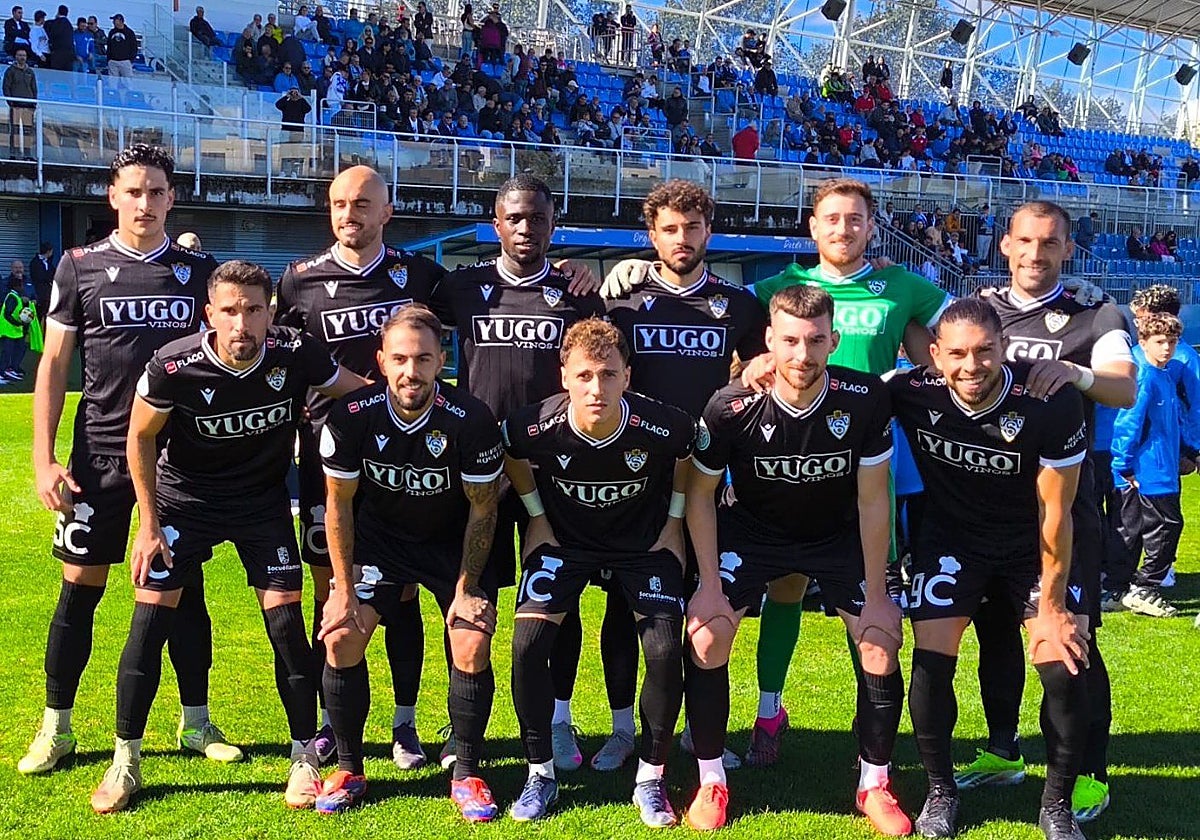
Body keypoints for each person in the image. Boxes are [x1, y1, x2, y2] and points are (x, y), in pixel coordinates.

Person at [603, 178, 950, 770]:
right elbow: (742, 348)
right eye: (831, 219)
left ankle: (836, 738)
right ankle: (688, 724)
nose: (843, 229)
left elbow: (959, 337)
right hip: (735, 464)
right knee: (666, 603)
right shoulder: (774, 289)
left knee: (848, 615)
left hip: (849, 469)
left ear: (872, 225)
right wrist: (628, 270)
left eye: (855, 219)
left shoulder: (901, 286)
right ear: (812, 227)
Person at [89, 260, 367, 813]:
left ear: (270, 312)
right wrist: (147, 525)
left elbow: (356, 391)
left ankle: (303, 759)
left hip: (261, 505)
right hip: (183, 503)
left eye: (254, 310)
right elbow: (139, 441)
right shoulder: (173, 366)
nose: (243, 323)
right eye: (231, 311)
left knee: (287, 624)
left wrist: (417, 400)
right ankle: (126, 759)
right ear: (209, 314)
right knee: (149, 621)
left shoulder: (296, 353)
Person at [20, 145, 234, 779]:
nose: (145, 203)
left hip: (178, 469)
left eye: (157, 192)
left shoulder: (198, 272)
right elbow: (55, 365)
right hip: (99, 463)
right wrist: (43, 458)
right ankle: (56, 726)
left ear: (173, 198)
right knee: (78, 593)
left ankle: (195, 721)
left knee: (182, 594)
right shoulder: (79, 267)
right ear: (112, 196)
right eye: (133, 191)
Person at [684, 284, 907, 834]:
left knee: (880, 643)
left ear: (833, 340)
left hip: (835, 537)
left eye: (813, 341)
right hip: (754, 532)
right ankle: (711, 778)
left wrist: (878, 592)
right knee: (707, 635)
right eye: (789, 341)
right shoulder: (730, 405)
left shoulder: (864, 399)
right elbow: (699, 498)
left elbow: (874, 497)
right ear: (768, 341)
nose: (801, 355)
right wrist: (709, 584)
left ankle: (874, 784)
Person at [890, 297, 1092, 840]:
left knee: (1062, 663)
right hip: (950, 541)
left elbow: (1056, 514)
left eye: (985, 351)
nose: (971, 365)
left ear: (1005, 347)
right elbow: (838, 388)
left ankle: (1056, 806)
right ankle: (940, 792)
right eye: (956, 354)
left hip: (1030, 547)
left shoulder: (1050, 401)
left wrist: (1051, 608)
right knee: (931, 661)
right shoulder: (908, 390)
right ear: (934, 355)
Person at [965, 201, 1135, 828]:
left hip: (1065, 498)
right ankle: (1001, 749)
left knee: (1070, 634)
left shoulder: (1098, 313)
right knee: (996, 629)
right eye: (1025, 241)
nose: (1035, 254)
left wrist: (1076, 373)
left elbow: (1123, 386)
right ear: (1004, 244)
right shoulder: (981, 310)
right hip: (985, 498)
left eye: (1050, 243)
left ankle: (1090, 772)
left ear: (1068, 249)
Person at [274, 166, 450, 770]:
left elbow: (491, 300)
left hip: (404, 464)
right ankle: (333, 721)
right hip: (329, 463)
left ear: (387, 212)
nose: (350, 214)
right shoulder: (298, 281)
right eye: (340, 204)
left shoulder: (419, 275)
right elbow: (281, 355)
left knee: (399, 593)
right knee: (333, 591)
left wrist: (594, 278)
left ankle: (404, 724)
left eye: (363, 204)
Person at [430, 176, 605, 773]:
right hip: (478, 468)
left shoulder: (576, 291)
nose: (525, 228)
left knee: (561, 598)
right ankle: (465, 725)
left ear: (552, 224)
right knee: (470, 593)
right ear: (495, 223)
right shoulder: (460, 286)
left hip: (554, 467)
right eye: (514, 218)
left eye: (536, 218)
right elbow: (403, 325)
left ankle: (557, 720)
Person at [594, 181, 766, 772]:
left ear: (708, 232)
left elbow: (766, 360)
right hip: (638, 477)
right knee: (625, 607)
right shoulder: (623, 302)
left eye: (692, 228)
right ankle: (621, 730)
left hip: (708, 481)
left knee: (702, 601)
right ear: (652, 235)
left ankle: (696, 729)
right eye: (669, 229)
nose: (682, 239)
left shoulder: (737, 305)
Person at [500, 317, 693, 825]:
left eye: (608, 375)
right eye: (584, 375)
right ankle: (539, 772)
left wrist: (674, 523)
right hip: (566, 543)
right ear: (564, 375)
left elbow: (688, 457)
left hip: (642, 546)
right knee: (527, 645)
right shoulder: (534, 424)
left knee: (664, 648)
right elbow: (513, 455)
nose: (596, 388)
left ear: (627, 377)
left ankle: (650, 777)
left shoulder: (660, 423)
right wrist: (537, 516)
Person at [315, 305, 504, 819]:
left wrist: (466, 588)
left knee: (469, 639)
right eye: (399, 358)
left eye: (423, 359)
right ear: (381, 361)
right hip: (382, 545)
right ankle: (349, 768)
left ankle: (467, 774)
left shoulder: (473, 419)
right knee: (341, 634)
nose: (410, 371)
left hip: (453, 547)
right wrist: (342, 588)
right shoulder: (352, 415)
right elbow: (338, 504)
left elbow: (483, 510)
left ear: (442, 359)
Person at [1107, 312, 1192, 617]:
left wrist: (1187, 450)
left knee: (1132, 528)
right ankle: (1145, 587)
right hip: (1149, 471)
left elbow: (1171, 422)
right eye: (1159, 342)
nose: (1167, 348)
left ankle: (1117, 588)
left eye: (1172, 341)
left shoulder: (1165, 374)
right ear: (1142, 342)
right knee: (1166, 526)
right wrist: (1125, 465)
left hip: (1160, 467)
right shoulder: (1143, 376)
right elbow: (1128, 424)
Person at [3, 47, 36, 159]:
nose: (22, 57)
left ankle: (28, 154)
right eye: (20, 55)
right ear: (16, 57)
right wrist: (10, 102)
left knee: (28, 131)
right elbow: (6, 87)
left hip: (28, 106)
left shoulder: (30, 71)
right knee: (15, 130)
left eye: (24, 56)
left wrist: (34, 103)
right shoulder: (10, 71)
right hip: (16, 106)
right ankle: (13, 153)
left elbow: (34, 88)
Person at [0, 267, 33, 380]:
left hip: (15, 331)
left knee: (20, 348)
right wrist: (18, 323)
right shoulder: (12, 297)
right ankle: (2, 372)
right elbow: (7, 314)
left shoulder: (17, 297)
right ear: (16, 286)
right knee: (6, 352)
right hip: (8, 329)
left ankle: (13, 368)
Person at [105, 14, 137, 80]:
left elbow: (134, 47)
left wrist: (130, 60)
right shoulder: (111, 32)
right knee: (113, 82)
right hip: (113, 61)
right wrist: (109, 59)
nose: (113, 22)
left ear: (120, 21)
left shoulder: (129, 32)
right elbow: (109, 46)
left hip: (125, 61)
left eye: (115, 20)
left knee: (128, 81)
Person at [45, 4, 73, 71]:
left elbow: (52, 35)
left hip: (57, 54)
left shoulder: (55, 23)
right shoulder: (69, 25)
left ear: (58, 12)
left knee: (56, 74)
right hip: (68, 55)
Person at [30, 241, 54, 320]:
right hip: (38, 293)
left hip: (47, 294)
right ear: (48, 251)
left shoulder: (49, 262)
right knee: (38, 316)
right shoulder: (35, 262)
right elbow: (37, 277)